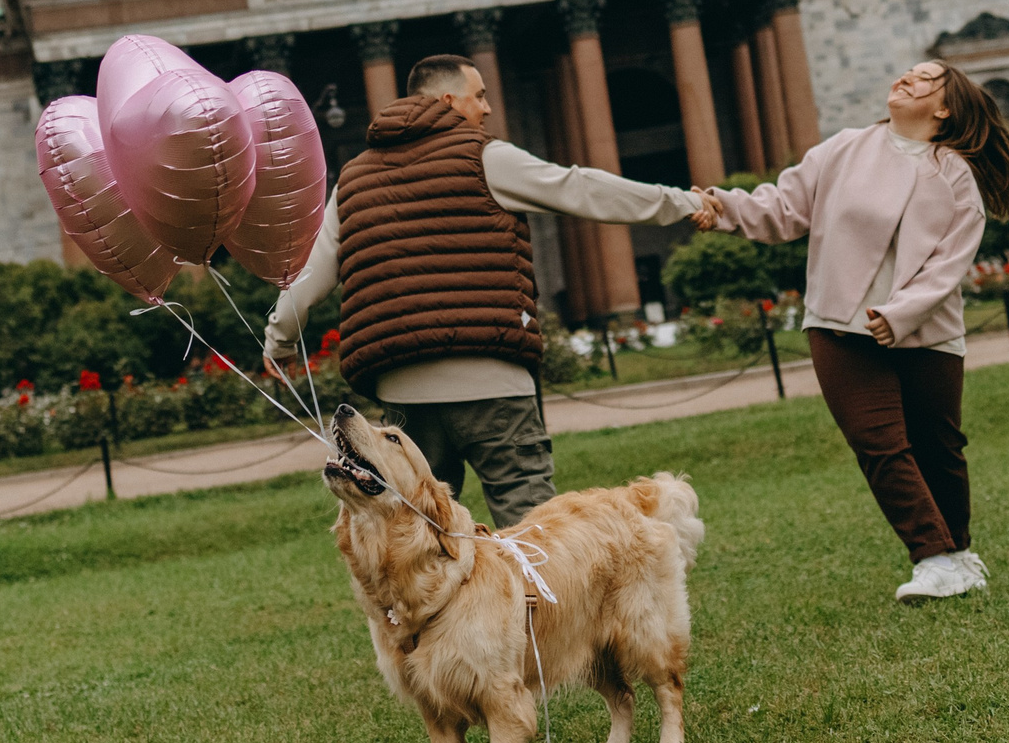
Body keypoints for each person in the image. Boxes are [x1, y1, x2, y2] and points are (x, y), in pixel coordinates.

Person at [265, 53, 700, 528]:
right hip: (493, 379)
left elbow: (310, 274)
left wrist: (279, 340)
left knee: (421, 536)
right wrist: (681, 202)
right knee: (533, 532)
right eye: (480, 96)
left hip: (403, 395)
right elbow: (582, 189)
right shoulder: (486, 157)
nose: (488, 108)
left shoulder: (352, 179)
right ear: (449, 100)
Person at [696, 60, 1009, 602]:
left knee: (939, 447)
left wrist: (902, 315)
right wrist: (723, 207)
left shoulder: (954, 175)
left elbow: (949, 264)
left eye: (925, 78)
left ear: (945, 108)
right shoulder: (844, 148)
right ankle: (933, 557)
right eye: (908, 71)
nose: (907, 78)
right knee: (879, 445)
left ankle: (959, 552)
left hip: (926, 331)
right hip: (839, 326)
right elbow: (783, 206)